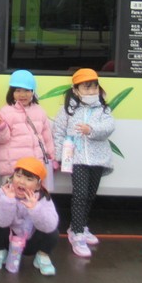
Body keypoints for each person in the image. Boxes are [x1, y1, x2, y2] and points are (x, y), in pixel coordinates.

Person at [52, 68, 115, 258]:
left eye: (94, 87)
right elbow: (58, 132)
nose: (91, 91)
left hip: (98, 159)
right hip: (77, 159)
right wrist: (59, 156)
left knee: (90, 195)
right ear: (76, 89)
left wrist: (91, 129)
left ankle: (79, 226)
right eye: (86, 88)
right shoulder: (67, 109)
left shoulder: (103, 109)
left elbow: (109, 127)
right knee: (80, 195)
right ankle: (77, 234)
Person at [0, 157, 59, 276]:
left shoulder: (43, 198)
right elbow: (0, 221)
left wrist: (35, 209)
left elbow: (50, 225)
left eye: (29, 179)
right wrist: (8, 201)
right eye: (18, 176)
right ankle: (0, 251)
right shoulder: (3, 192)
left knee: (53, 232)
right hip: (9, 240)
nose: (22, 182)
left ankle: (42, 256)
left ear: (38, 185)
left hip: (31, 242)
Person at [0, 70, 54, 179]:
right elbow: (1, 139)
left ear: (33, 92)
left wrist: (51, 155)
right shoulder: (5, 112)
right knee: (11, 191)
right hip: (13, 169)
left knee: (34, 191)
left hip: (34, 167)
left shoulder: (40, 111)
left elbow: (47, 137)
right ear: (12, 92)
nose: (22, 94)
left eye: (27, 90)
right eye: (18, 90)